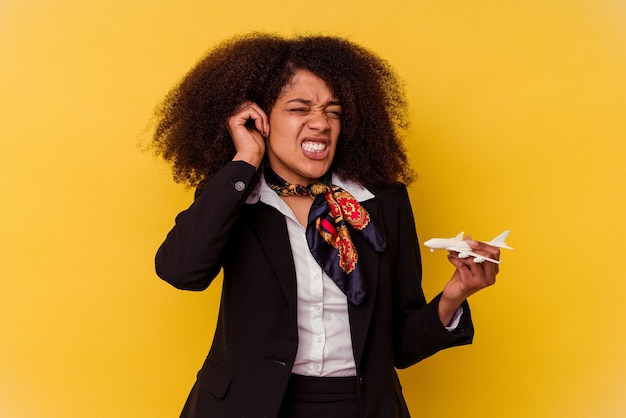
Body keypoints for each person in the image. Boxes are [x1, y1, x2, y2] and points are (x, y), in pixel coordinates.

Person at [151, 33, 501, 418]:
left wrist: (455, 295)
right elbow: (181, 270)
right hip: (247, 407)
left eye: (332, 111)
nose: (320, 123)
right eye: (300, 109)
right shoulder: (237, 197)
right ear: (261, 119)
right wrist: (246, 158)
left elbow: (400, 346)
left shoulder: (381, 203)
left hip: (359, 408)